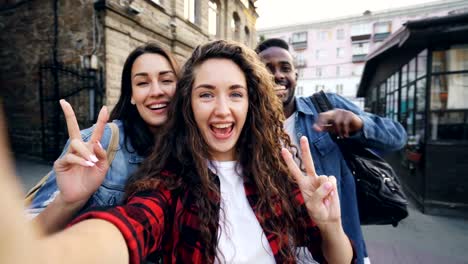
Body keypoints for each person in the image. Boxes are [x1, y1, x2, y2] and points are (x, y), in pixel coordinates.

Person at [0, 40, 356, 264]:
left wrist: (331, 226)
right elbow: (128, 227)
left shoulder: (278, 174)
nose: (221, 109)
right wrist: (52, 228)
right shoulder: (169, 181)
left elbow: (338, 257)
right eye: (205, 94)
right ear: (187, 104)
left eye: (235, 93)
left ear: (252, 103)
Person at [255, 38, 407, 264]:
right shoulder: (250, 127)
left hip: (339, 247)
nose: (277, 75)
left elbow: (397, 137)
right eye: (268, 69)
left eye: (285, 68)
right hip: (278, 250)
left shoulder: (326, 106)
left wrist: (360, 125)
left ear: (296, 76)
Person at [27, 42, 180, 234]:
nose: (156, 91)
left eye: (166, 80)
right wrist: (67, 202)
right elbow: (26, 235)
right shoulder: (99, 142)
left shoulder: (191, 147)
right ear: (131, 95)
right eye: (142, 83)